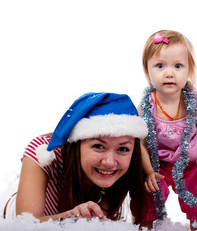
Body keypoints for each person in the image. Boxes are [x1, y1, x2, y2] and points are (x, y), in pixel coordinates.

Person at [0, 92, 148, 224]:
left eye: (123, 148)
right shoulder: (43, 152)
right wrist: (72, 217)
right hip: (13, 213)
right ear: (78, 143)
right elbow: (24, 225)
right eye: (98, 146)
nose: (109, 162)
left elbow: (101, 220)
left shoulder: (128, 166)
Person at [138, 30, 197, 229]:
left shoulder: (194, 100)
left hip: (190, 163)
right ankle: (145, 225)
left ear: (189, 70)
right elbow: (140, 144)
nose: (169, 73)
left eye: (178, 66)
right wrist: (147, 171)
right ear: (148, 71)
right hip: (158, 164)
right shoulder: (146, 105)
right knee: (148, 192)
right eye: (160, 66)